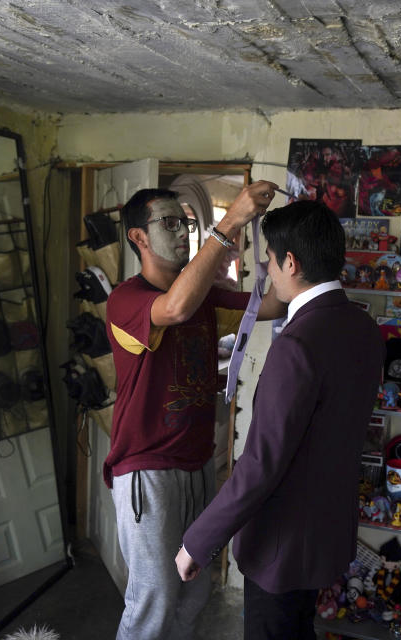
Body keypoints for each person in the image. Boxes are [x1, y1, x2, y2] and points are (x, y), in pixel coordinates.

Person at [175, 200, 385, 640]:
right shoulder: (362, 327)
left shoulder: (297, 344)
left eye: (269, 260)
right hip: (327, 530)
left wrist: (199, 540)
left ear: (290, 261)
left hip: (283, 544)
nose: (267, 272)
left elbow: (260, 464)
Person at [104, 181, 287, 640]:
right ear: (138, 238)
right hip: (147, 468)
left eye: (185, 222)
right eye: (169, 223)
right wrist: (228, 224)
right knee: (155, 599)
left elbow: (270, 303)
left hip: (197, 464)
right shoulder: (126, 299)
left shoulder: (206, 294)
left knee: (194, 591)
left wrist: (293, 253)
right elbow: (176, 307)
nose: (183, 231)